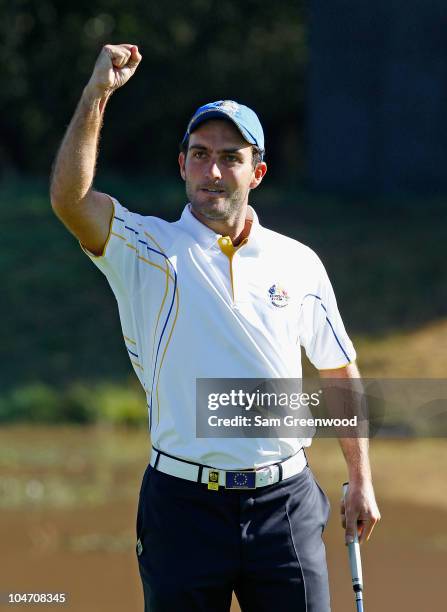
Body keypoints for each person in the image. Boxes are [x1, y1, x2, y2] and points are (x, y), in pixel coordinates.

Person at [50, 44, 380, 612]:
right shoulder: (146, 246)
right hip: (181, 507)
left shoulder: (298, 261)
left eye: (231, 156)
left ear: (258, 171)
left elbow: (337, 366)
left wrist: (361, 478)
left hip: (286, 505)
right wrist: (97, 93)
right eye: (199, 155)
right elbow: (70, 199)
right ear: (182, 166)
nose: (213, 171)